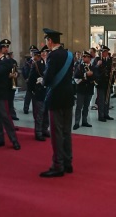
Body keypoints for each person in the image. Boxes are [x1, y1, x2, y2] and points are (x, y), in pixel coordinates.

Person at [39, 28, 75, 178]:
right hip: (68, 97)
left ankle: (58, 165)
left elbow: (47, 78)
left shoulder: (52, 56)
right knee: (67, 131)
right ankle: (68, 163)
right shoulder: (69, 55)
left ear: (50, 41)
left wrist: (42, 80)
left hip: (56, 97)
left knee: (56, 133)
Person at [26, 48, 49, 141]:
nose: (44, 54)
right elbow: (30, 79)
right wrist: (32, 91)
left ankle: (45, 129)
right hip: (39, 92)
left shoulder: (51, 64)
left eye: (46, 52)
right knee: (39, 113)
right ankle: (38, 132)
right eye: (42, 52)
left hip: (48, 92)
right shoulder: (37, 64)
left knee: (46, 112)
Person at [73, 51, 96, 130]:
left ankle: (84, 121)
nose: (83, 58)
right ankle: (76, 122)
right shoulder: (80, 66)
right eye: (83, 57)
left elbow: (96, 76)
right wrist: (85, 75)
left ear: (89, 58)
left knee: (86, 106)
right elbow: (76, 75)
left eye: (85, 57)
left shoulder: (93, 67)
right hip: (81, 89)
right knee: (79, 106)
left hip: (89, 89)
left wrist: (91, 75)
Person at [0, 39, 19, 121]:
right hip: (3, 84)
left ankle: (12, 114)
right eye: (4, 47)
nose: (6, 48)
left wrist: (16, 74)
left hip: (11, 83)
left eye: (7, 47)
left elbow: (16, 70)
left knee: (10, 101)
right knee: (3, 102)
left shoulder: (12, 61)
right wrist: (8, 75)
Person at [93, 46, 114, 122]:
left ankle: (106, 114)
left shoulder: (110, 60)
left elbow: (112, 69)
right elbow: (93, 69)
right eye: (102, 52)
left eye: (105, 52)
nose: (103, 53)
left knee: (107, 99)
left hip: (108, 82)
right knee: (101, 100)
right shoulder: (97, 60)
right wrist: (98, 65)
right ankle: (100, 115)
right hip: (100, 82)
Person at [22, 45, 38, 114]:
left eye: (34, 51)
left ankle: (36, 108)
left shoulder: (38, 61)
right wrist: (26, 78)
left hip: (36, 81)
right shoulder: (28, 61)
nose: (32, 53)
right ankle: (26, 108)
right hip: (29, 80)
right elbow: (24, 70)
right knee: (28, 95)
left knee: (35, 96)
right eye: (31, 51)